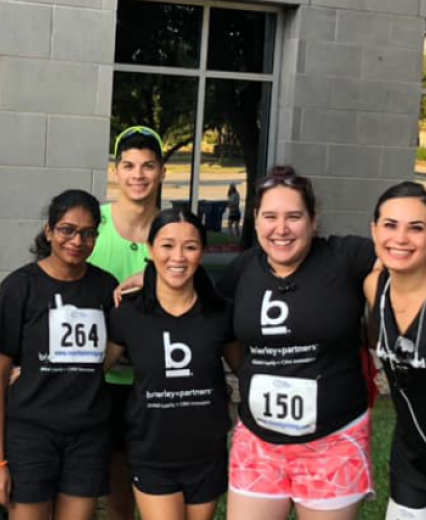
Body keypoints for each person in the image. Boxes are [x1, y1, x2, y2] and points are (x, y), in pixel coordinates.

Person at [217, 165, 376, 520]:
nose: (281, 228)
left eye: (294, 216)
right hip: (258, 443)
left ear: (313, 220)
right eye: (270, 216)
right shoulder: (243, 269)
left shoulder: (345, 257)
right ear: (256, 219)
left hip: (333, 442)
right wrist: (149, 279)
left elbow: (402, 253)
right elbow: (197, 305)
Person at [0, 189, 117, 520]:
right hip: (31, 433)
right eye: (67, 230)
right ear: (49, 231)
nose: (77, 241)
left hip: (87, 434)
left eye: (88, 233)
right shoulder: (20, 287)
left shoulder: (105, 287)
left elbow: (116, 343)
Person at [106, 208, 236, 520]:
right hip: (151, 453)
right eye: (167, 245)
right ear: (150, 249)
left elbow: (247, 369)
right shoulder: (128, 312)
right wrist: (33, 373)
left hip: (207, 453)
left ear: (202, 252)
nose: (178, 257)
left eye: (190, 247)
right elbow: (92, 368)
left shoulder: (221, 312)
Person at [88, 124, 166, 520]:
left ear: (162, 172)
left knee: (144, 484)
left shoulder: (172, 229)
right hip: (97, 376)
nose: (138, 175)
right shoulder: (93, 225)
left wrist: (152, 277)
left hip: (152, 379)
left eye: (148, 166)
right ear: (115, 171)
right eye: (129, 165)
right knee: (98, 484)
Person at [365, 182, 426, 520]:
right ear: (374, 230)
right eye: (390, 225)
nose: (400, 238)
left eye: (417, 227)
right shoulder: (375, 287)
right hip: (411, 461)